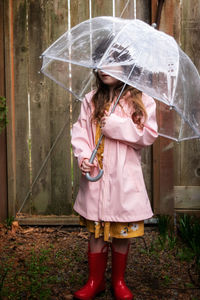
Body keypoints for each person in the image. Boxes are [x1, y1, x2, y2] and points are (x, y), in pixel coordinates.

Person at [71, 52, 158, 299]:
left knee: (121, 232)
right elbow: (81, 130)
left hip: (124, 178)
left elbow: (148, 135)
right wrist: (84, 155)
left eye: (111, 62)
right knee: (96, 231)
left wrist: (116, 125)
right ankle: (95, 281)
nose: (103, 68)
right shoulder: (90, 100)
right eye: (99, 62)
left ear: (127, 67)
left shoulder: (141, 101)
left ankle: (118, 282)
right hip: (97, 177)